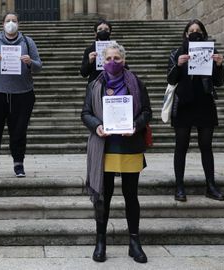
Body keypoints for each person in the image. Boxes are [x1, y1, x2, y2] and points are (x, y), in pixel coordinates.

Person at [81, 42, 151, 263]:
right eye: (109, 59)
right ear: (103, 60)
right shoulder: (94, 85)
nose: (113, 63)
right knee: (104, 197)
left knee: (131, 196)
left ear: (124, 60)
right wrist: (96, 126)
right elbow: (86, 113)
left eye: (117, 59)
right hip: (104, 147)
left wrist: (136, 126)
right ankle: (100, 242)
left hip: (130, 146)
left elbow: (147, 112)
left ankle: (134, 242)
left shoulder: (136, 83)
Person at [0, 12, 42, 178]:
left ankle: (18, 164)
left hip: (22, 93)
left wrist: (30, 62)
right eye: (8, 21)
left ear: (18, 24)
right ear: (3, 24)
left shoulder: (28, 41)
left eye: (14, 21)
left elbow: (38, 65)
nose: (11, 23)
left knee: (19, 130)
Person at [167, 19, 224, 202]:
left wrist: (219, 65)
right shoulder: (177, 52)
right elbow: (170, 79)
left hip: (204, 103)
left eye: (198, 30)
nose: (194, 32)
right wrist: (178, 64)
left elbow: (219, 81)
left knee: (206, 146)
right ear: (186, 34)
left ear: (203, 33)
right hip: (184, 103)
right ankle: (179, 187)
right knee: (181, 146)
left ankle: (211, 186)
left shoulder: (212, 51)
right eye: (191, 30)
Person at [80, 19, 113, 83]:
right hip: (95, 85)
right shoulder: (89, 50)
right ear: (95, 33)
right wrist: (89, 62)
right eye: (100, 29)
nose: (103, 31)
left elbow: (126, 68)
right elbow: (83, 73)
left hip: (114, 84)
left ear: (110, 32)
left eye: (106, 30)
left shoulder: (117, 49)